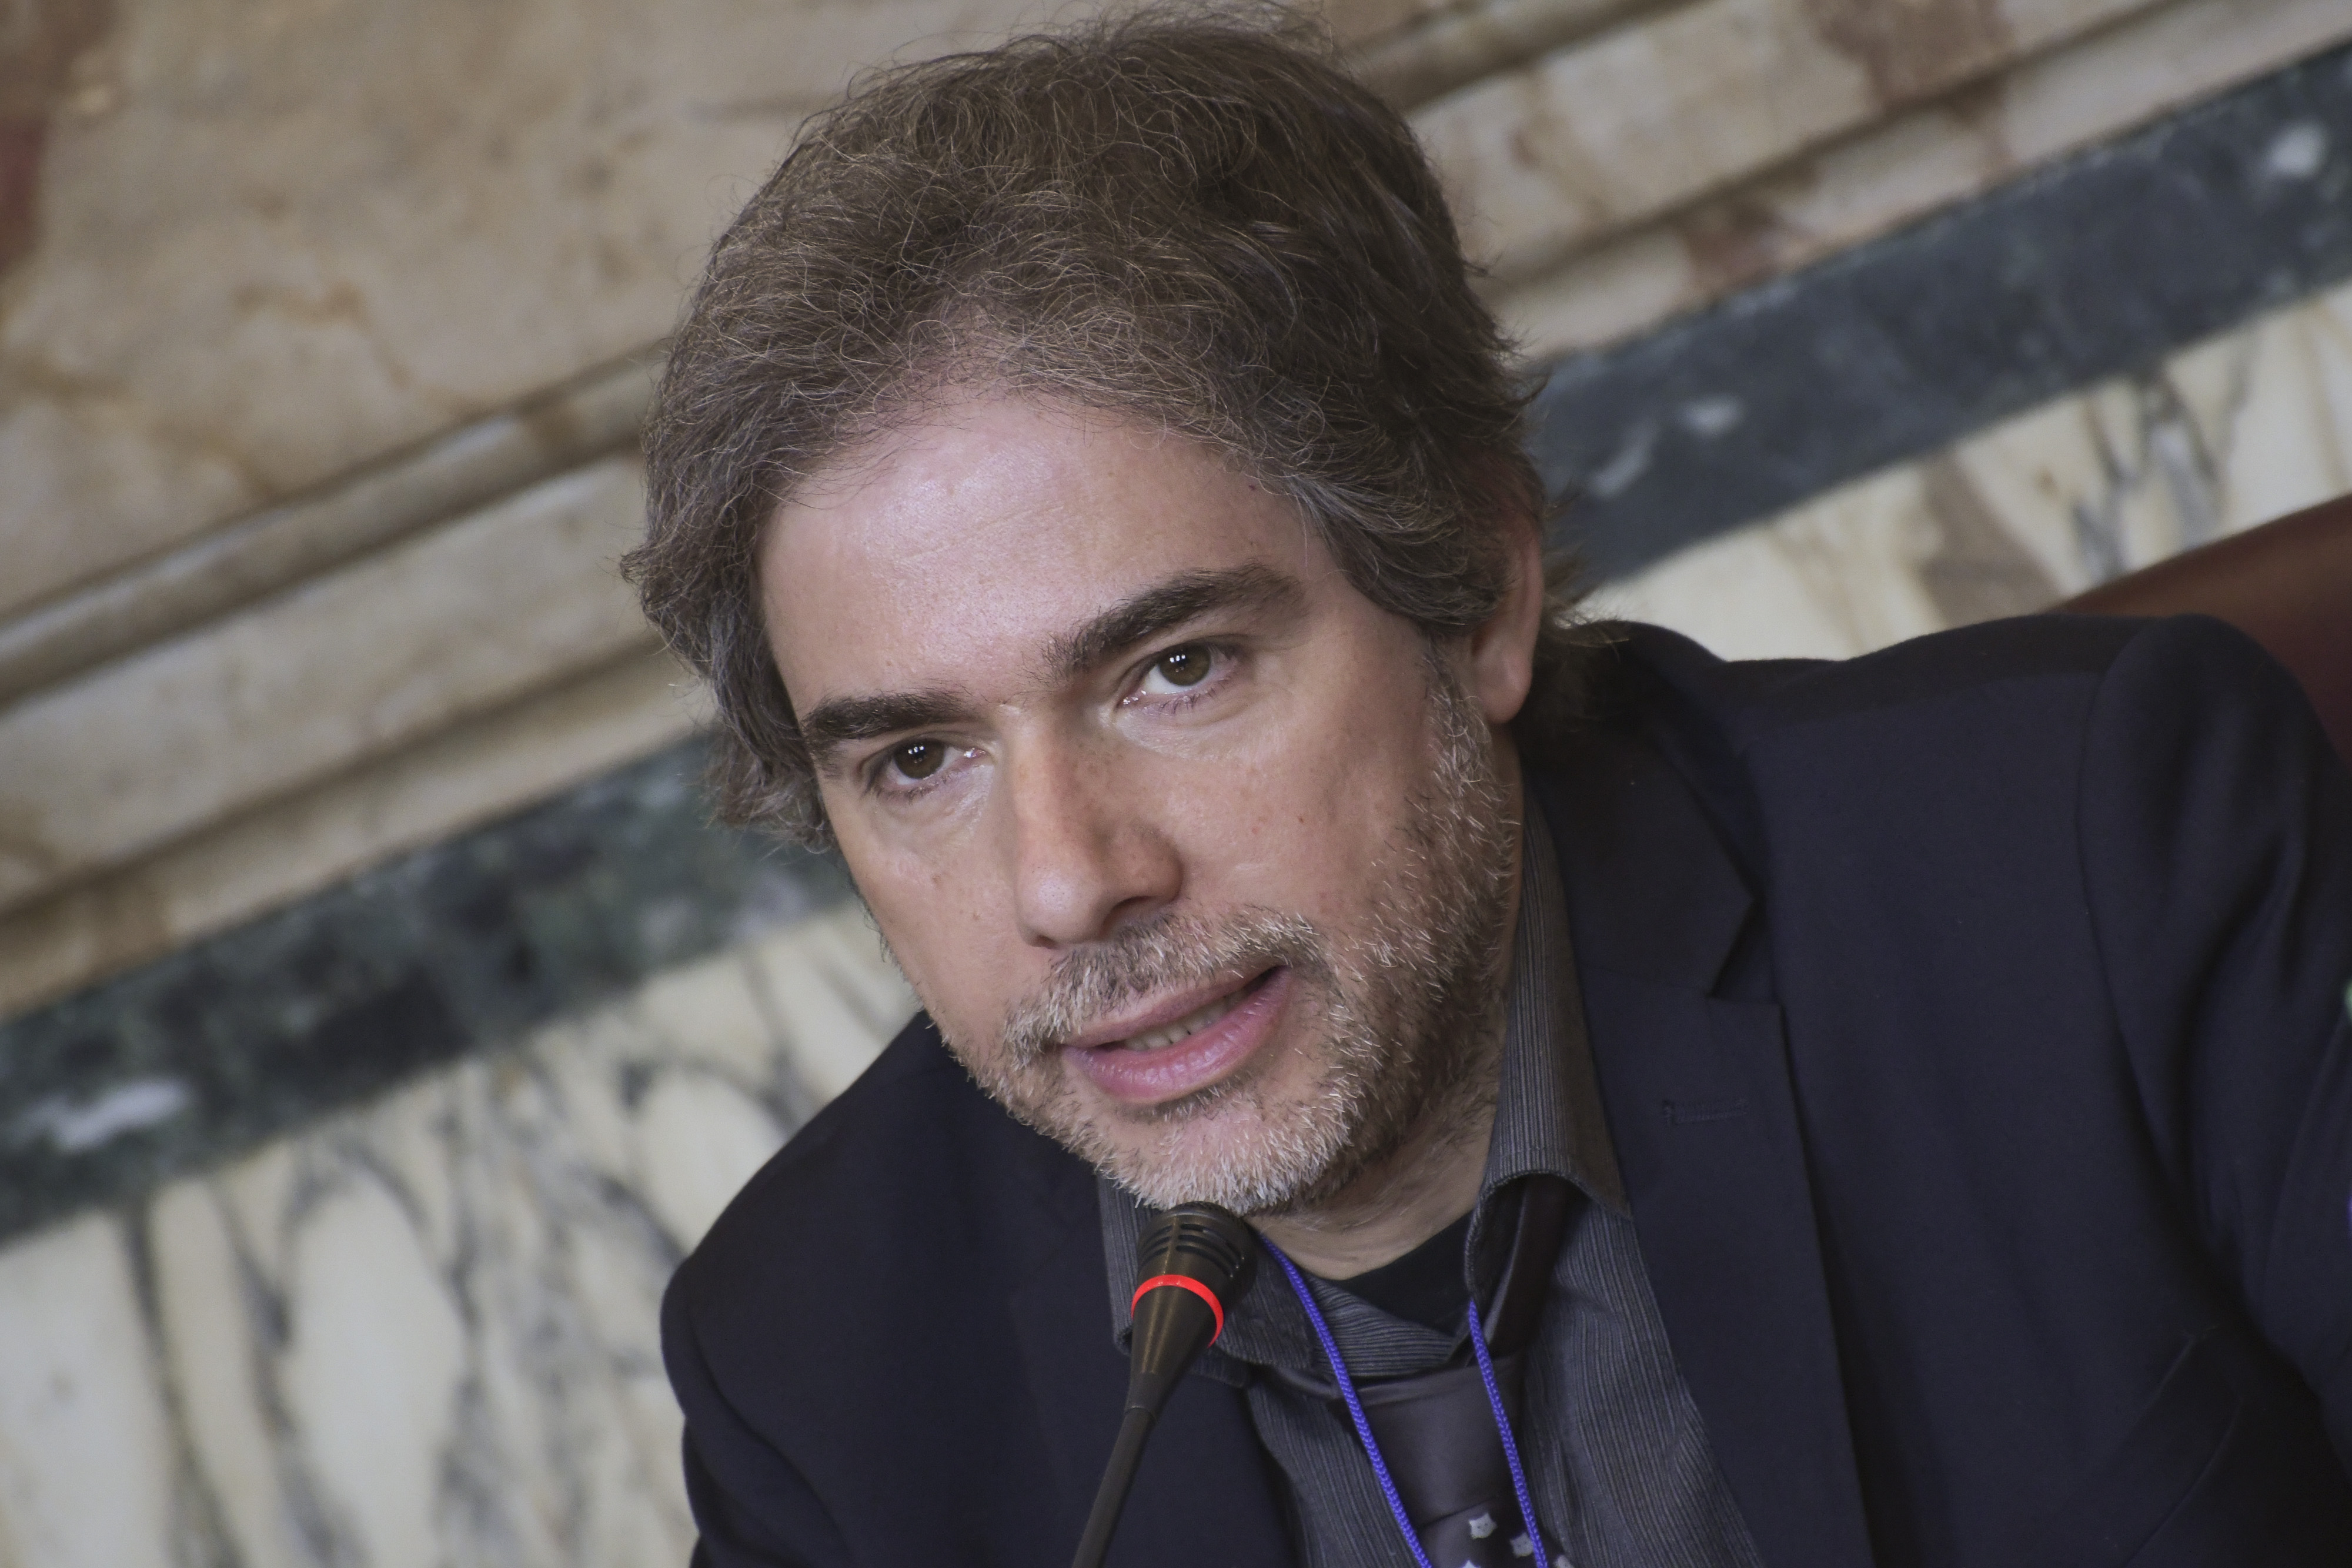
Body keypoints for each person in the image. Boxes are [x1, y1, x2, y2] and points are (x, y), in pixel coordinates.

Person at [626, 12, 2352, 1566]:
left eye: (1179, 668)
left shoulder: (2089, 868)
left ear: (1481, 589)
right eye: (920, 759)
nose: (1069, 880)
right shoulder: (821, 1382)